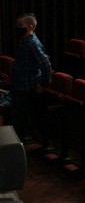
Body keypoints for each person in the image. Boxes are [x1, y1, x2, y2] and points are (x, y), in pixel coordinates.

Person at [11, 13, 52, 142]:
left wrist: (43, 83)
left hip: (28, 86)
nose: (18, 28)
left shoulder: (32, 43)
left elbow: (45, 64)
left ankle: (18, 146)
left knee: (21, 119)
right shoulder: (24, 42)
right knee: (18, 118)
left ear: (29, 27)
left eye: (20, 25)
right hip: (21, 85)